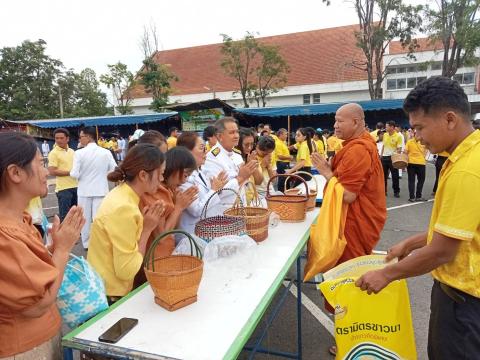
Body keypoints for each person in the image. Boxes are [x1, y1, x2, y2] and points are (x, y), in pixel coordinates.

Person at [356, 76, 480, 360]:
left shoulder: (466, 170)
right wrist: (411, 243)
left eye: (420, 127)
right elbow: (460, 229)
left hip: (463, 304)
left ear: (450, 119)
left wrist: (385, 274)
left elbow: (442, 251)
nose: (417, 137)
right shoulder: (468, 155)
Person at [0, 132, 85, 358]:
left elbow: (27, 269)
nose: (46, 171)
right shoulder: (4, 236)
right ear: (15, 173)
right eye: (40, 163)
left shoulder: (21, 218)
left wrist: (54, 248)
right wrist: (64, 249)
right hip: (25, 349)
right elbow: (38, 304)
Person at [312, 103, 387, 356]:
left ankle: (350, 339)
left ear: (356, 122)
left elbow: (348, 195)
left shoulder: (358, 150)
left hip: (354, 223)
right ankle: (352, 333)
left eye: (340, 121)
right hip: (354, 222)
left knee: (347, 281)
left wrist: (325, 172)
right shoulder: (356, 146)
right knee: (351, 279)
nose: (335, 126)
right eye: (335, 121)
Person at [87, 144, 165, 303]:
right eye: (160, 174)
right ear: (143, 175)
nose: (162, 180)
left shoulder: (121, 195)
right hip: (110, 294)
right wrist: (147, 230)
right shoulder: (124, 208)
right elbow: (127, 270)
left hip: (104, 287)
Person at [70, 126, 117, 250]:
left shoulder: (78, 153)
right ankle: (101, 241)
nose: (80, 139)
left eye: (81, 137)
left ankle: (86, 243)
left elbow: (74, 174)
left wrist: (77, 174)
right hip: (101, 189)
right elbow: (113, 170)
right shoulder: (106, 152)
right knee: (99, 218)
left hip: (84, 191)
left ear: (88, 136)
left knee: (84, 218)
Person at [203, 117, 258, 212]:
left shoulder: (237, 155)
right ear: (219, 136)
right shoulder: (212, 158)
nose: (236, 136)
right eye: (231, 133)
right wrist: (240, 177)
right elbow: (218, 192)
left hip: (240, 209)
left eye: (237, 132)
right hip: (224, 214)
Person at [177, 132, 228, 234]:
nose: (206, 152)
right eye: (202, 148)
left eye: (206, 148)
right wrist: (214, 190)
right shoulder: (183, 178)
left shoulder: (200, 171)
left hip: (206, 229)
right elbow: (196, 210)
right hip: (191, 234)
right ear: (187, 152)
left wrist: (217, 189)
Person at [48, 128, 78, 221]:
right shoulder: (53, 153)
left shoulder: (72, 151)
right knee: (65, 217)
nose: (59, 140)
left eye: (61, 138)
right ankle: (64, 235)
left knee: (76, 214)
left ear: (67, 139)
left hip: (76, 186)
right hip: (63, 189)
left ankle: (76, 235)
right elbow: (52, 171)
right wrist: (71, 172)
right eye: (57, 138)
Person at [381, 120, 403, 197]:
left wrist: (396, 157)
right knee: (383, 176)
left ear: (392, 127)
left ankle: (396, 191)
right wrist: (381, 155)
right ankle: (384, 191)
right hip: (384, 157)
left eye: (386, 126)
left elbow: (399, 148)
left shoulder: (398, 136)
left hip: (393, 158)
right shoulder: (385, 135)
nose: (385, 128)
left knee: (395, 176)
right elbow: (383, 145)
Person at [404, 132, 427, 202]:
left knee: (413, 180)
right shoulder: (423, 142)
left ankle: (413, 197)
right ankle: (417, 196)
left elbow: (405, 152)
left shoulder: (409, 142)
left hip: (413, 163)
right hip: (419, 163)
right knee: (419, 180)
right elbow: (427, 151)